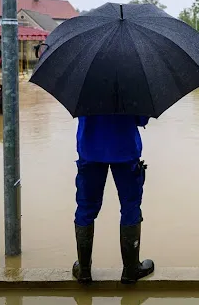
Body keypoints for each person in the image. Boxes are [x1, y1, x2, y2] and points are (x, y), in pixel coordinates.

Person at [72, 114, 155, 285]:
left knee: (85, 208)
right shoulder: (132, 87)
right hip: (125, 149)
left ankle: (84, 271)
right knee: (130, 207)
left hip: (90, 149)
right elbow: (141, 119)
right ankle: (130, 270)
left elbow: (78, 110)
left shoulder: (85, 87)